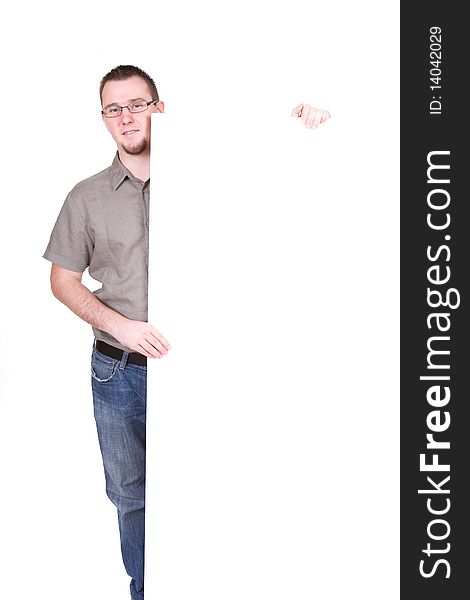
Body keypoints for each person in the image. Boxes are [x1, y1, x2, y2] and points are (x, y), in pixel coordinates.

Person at [43, 64, 330, 600]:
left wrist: (300, 125)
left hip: (199, 365)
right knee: (131, 494)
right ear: (103, 119)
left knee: (214, 486)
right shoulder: (86, 197)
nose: (126, 116)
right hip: (119, 370)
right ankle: (145, 592)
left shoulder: (218, 175)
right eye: (114, 108)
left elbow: (277, 171)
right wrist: (120, 327)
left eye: (137, 103)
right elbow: (62, 280)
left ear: (159, 108)